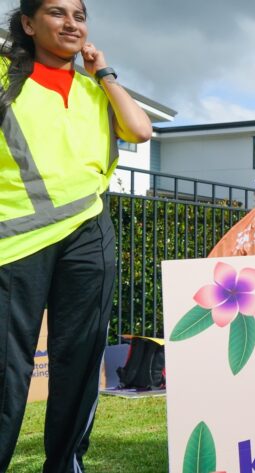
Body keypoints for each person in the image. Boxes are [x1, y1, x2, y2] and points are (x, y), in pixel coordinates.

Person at [0, 0, 152, 471]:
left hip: (88, 231)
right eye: (56, 13)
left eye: (80, 16)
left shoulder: (95, 90)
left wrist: (104, 71)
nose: (71, 23)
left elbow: (140, 129)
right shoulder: (6, 77)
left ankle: (66, 464)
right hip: (15, 238)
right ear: (28, 23)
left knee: (81, 361)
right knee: (7, 368)